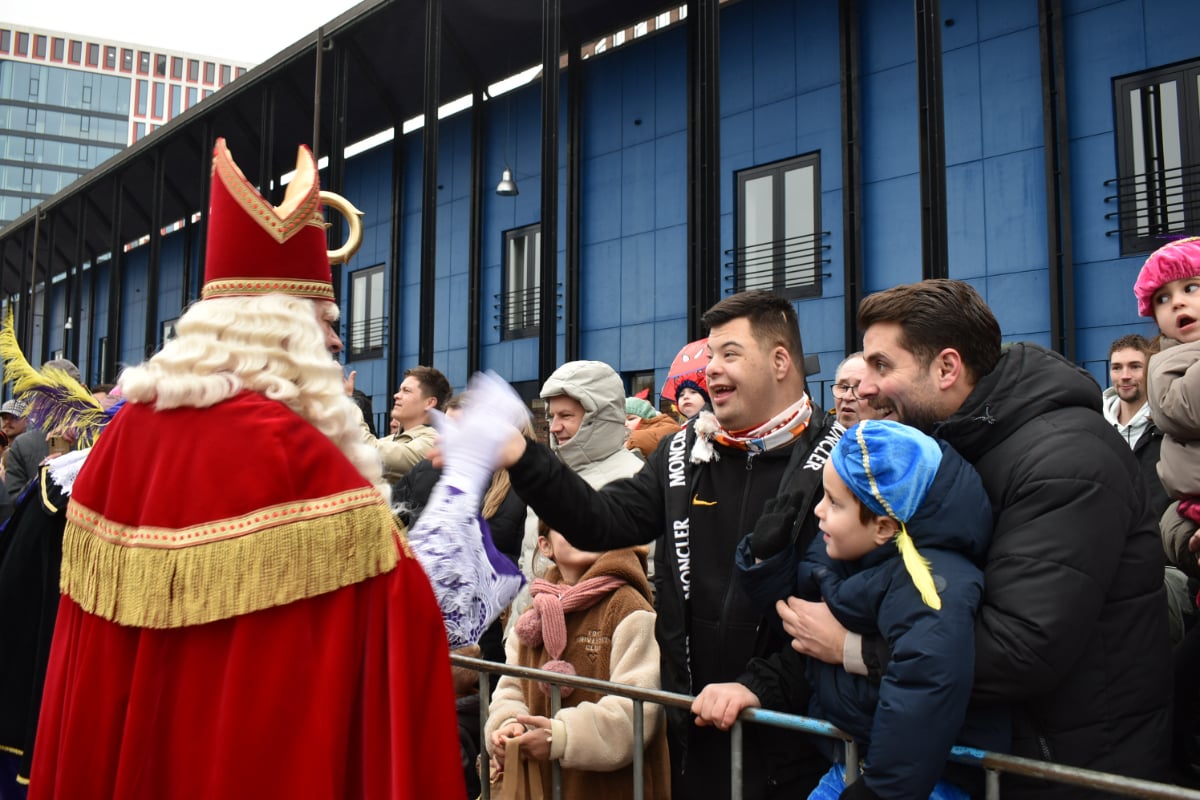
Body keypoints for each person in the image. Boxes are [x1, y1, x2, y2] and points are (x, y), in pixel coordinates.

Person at [26, 137, 464, 798]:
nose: (338, 342)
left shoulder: (123, 441)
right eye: (325, 321)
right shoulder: (295, 453)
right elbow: (400, 630)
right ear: (279, 329)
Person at [786, 278, 1169, 796]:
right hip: (998, 760)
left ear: (946, 368)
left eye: (881, 366)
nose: (863, 386)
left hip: (1067, 771)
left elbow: (1021, 648)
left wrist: (851, 648)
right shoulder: (955, 443)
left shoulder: (1067, 459)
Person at [492, 291, 844, 799]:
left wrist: (760, 686)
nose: (711, 371)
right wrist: (525, 458)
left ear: (781, 360)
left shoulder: (839, 456)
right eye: (710, 355)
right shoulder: (683, 452)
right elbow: (601, 521)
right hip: (690, 735)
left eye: (730, 354)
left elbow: (843, 606)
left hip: (793, 745)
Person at [693, 419, 1005, 800]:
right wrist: (767, 563)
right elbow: (805, 629)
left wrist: (880, 791)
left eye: (835, 502)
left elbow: (924, 687)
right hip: (857, 766)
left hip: (924, 783)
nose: (819, 511)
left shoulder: (930, 583)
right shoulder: (855, 553)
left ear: (883, 526)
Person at [484, 520, 670, 800]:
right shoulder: (532, 615)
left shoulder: (629, 608)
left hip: (611, 789)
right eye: (566, 521)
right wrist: (509, 724)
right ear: (545, 546)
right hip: (545, 786)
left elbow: (637, 711)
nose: (581, 528)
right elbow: (511, 689)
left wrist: (561, 737)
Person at [1133, 236, 1200, 780]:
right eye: (1164, 298)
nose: (1179, 304)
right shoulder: (1171, 370)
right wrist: (1183, 534)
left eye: (1192, 288)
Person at [511, 361, 646, 622]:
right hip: (531, 642)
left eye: (566, 416)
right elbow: (528, 563)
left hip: (591, 646)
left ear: (599, 416)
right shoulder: (549, 477)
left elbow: (642, 580)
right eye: (552, 416)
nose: (553, 426)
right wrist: (515, 633)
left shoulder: (635, 481)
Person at [1103, 334, 1169, 518]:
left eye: (1135, 366)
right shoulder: (1095, 427)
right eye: (1117, 367)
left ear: (1149, 370)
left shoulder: (1168, 425)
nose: (1125, 376)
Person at [371, 365, 451, 482]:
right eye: (399, 390)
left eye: (406, 391)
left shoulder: (434, 442)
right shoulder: (387, 441)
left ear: (429, 403)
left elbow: (368, 452)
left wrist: (345, 401)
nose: (396, 395)